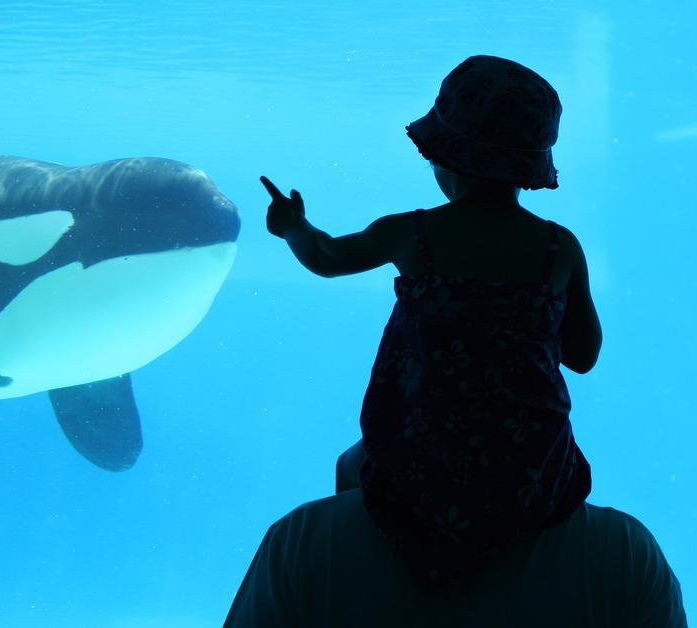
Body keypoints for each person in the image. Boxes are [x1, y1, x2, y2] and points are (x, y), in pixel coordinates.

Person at [227, 55, 687, 625]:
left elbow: (326, 258)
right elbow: (585, 354)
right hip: (529, 452)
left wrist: (292, 225)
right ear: (529, 166)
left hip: (419, 440)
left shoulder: (414, 233)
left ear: (447, 158)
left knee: (354, 469)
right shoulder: (557, 249)